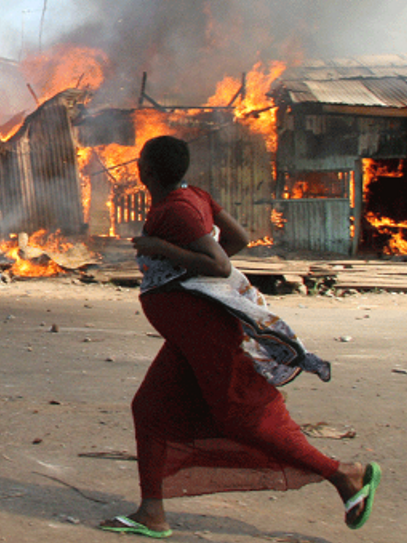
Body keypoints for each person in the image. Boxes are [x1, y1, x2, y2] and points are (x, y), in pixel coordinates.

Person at [102, 135, 379, 539]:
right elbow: (239, 240)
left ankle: (344, 474)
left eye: (140, 159)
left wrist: (162, 247)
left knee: (245, 418)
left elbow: (219, 262)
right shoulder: (193, 196)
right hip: (188, 337)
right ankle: (152, 513)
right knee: (150, 409)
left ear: (146, 170)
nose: (137, 164)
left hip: (208, 334)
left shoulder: (177, 211)